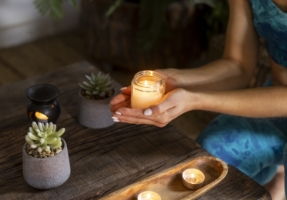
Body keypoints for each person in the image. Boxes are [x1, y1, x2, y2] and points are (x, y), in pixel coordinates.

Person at [109, 0, 287, 199]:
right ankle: (277, 173)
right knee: (208, 161)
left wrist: (195, 100)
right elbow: (238, 64)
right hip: (273, 108)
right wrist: (175, 80)